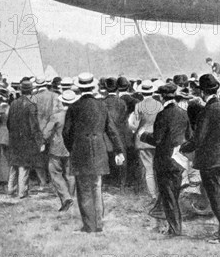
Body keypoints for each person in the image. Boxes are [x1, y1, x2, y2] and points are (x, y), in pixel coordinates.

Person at [180, 74, 220, 244]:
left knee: (217, 197)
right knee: (217, 195)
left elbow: (198, 139)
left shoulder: (208, 110)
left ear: (201, 92)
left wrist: (182, 148)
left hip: (212, 161)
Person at [63, 72, 124, 233]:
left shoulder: (73, 107)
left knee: (83, 189)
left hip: (80, 150)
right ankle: (98, 224)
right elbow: (111, 130)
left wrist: (72, 148)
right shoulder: (102, 106)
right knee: (97, 187)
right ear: (92, 86)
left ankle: (89, 226)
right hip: (99, 149)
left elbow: (66, 133)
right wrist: (118, 150)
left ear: (80, 88)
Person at [141, 83, 191, 236]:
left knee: (169, 197)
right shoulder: (183, 113)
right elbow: (189, 136)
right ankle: (169, 226)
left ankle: (175, 229)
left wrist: (143, 135)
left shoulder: (163, 115)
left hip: (165, 160)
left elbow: (157, 139)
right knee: (173, 194)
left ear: (162, 97)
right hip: (179, 159)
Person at [7, 79, 44, 199]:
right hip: (26, 139)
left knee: (14, 164)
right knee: (24, 166)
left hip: (14, 137)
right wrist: (40, 142)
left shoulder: (13, 104)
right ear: (31, 91)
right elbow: (34, 126)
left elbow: (8, 123)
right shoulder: (31, 105)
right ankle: (22, 192)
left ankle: (10, 189)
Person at [44, 89, 76, 213]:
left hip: (56, 148)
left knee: (55, 173)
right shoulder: (77, 115)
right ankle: (71, 198)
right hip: (72, 148)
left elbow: (47, 133)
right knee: (70, 174)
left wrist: (44, 141)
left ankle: (66, 197)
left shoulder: (56, 116)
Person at [131, 80, 163, 201]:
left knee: (148, 169)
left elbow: (135, 123)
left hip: (142, 140)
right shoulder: (160, 105)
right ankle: (160, 192)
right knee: (158, 167)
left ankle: (153, 194)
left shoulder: (138, 106)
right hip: (157, 138)